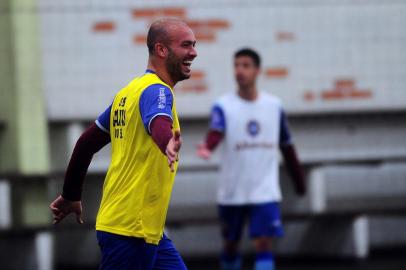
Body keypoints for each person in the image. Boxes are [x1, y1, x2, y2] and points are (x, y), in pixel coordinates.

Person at [49, 18, 197, 270]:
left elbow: (86, 143)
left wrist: (71, 194)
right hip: (130, 231)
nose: (193, 52)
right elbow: (159, 122)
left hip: (147, 231)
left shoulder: (128, 93)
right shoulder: (158, 91)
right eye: (186, 45)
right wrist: (167, 143)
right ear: (161, 49)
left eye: (193, 45)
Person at [197, 48, 306, 270]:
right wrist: (208, 147)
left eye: (245, 65)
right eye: (236, 65)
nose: (239, 70)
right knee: (230, 244)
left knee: (264, 243)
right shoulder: (223, 105)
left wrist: (299, 181)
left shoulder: (274, 106)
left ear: (257, 71)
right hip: (232, 191)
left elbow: (287, 145)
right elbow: (216, 130)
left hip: (264, 191)